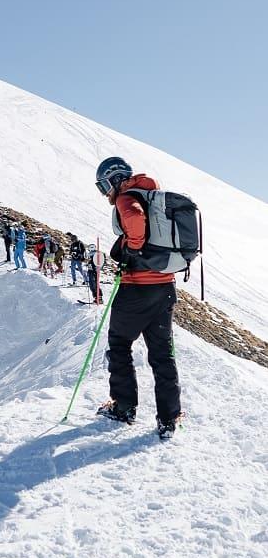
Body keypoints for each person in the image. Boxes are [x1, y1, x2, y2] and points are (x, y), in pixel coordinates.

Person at [94, 156, 182, 439]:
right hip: (164, 286)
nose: (105, 193)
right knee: (162, 355)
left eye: (104, 185)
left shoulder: (127, 197)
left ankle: (124, 407)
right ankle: (169, 418)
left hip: (136, 289)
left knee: (119, 345)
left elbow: (133, 217)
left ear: (115, 179)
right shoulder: (153, 196)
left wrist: (132, 248)